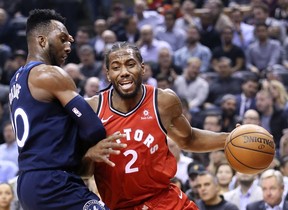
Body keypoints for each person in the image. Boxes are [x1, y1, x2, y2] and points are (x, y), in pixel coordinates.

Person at [86, 42, 230, 209]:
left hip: (165, 201)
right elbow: (79, 170)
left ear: (142, 68)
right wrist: (90, 155)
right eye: (116, 67)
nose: (124, 72)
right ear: (108, 74)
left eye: (130, 65)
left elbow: (188, 139)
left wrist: (229, 138)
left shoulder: (163, 101)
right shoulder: (92, 109)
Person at [8, 9, 127, 210]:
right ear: (42, 41)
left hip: (27, 182)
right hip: (53, 181)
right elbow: (93, 128)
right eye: (62, 39)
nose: (69, 46)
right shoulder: (49, 73)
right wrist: (89, 151)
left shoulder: (16, 80)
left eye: (70, 41)